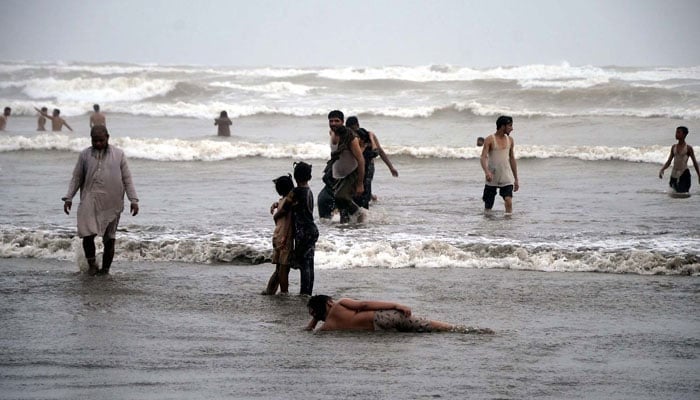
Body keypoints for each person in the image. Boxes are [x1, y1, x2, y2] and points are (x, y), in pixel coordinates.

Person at [62, 125, 139, 276]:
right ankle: (92, 266)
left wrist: (133, 200)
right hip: (89, 200)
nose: (97, 143)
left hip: (112, 202)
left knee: (109, 238)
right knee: (87, 234)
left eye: (101, 140)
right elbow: (77, 177)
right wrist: (69, 197)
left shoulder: (119, 154)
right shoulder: (84, 155)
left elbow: (127, 179)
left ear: (107, 138)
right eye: (94, 140)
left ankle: (105, 270)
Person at [305, 295, 494, 334]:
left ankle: (463, 330)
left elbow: (307, 331)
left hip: (378, 331)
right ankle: (464, 330)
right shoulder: (339, 304)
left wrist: (316, 318)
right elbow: (364, 304)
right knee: (428, 325)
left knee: (416, 332)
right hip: (383, 317)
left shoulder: (327, 328)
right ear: (329, 302)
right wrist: (396, 304)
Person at [317, 110, 366, 223]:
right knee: (340, 205)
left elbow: (361, 160)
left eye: (337, 121)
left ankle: (359, 213)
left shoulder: (350, 137)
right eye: (331, 121)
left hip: (352, 172)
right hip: (338, 174)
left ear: (343, 122)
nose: (333, 123)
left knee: (340, 196)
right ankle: (345, 227)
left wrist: (360, 184)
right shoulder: (331, 132)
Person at [345, 116, 398, 208]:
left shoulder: (367, 135)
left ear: (357, 125)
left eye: (353, 129)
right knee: (355, 186)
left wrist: (391, 167)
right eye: (350, 130)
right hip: (356, 165)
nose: (353, 132)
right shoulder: (350, 137)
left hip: (369, 166)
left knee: (366, 184)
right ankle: (369, 196)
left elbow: (379, 151)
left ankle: (368, 199)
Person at [287, 161, 319, 296]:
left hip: (303, 232)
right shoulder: (308, 191)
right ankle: (308, 292)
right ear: (309, 177)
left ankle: (304, 293)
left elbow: (285, 206)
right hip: (312, 230)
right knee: (309, 263)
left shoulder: (297, 192)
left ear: (295, 177)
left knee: (303, 264)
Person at [262, 175, 295, 295]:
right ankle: (284, 292)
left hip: (276, 235)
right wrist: (286, 237)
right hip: (284, 236)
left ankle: (269, 291)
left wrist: (275, 204)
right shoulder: (289, 203)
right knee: (284, 268)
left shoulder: (281, 202)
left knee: (278, 268)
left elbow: (281, 207)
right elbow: (289, 221)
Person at [480, 115, 519, 214]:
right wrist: (487, 172)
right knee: (488, 207)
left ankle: (508, 225)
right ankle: (489, 226)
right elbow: (483, 157)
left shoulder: (510, 140)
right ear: (502, 126)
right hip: (492, 176)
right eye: (510, 126)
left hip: (506, 176)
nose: (512, 128)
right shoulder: (489, 139)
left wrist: (516, 179)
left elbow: (512, 158)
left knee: (508, 201)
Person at [659, 126, 700, 193]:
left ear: (684, 135)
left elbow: (694, 162)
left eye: (678, 132)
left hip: (684, 174)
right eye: (676, 132)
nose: (676, 134)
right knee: (673, 194)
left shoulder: (688, 148)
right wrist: (662, 169)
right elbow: (669, 161)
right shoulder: (673, 147)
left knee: (683, 194)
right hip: (674, 174)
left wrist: (699, 175)